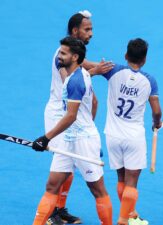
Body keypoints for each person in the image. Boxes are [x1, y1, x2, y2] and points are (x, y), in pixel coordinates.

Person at [32, 37, 113, 225]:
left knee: (98, 190)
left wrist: (45, 138)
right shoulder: (73, 75)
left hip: (83, 143)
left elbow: (71, 116)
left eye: (63, 53)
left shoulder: (75, 81)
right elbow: (94, 103)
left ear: (75, 57)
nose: (58, 56)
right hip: (69, 140)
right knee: (52, 186)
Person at [92, 38, 161, 225]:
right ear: (145, 59)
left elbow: (88, 67)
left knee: (121, 179)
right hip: (134, 138)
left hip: (112, 137)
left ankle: (131, 216)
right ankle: (123, 221)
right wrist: (157, 123)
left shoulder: (114, 70)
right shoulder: (149, 80)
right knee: (132, 183)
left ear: (125, 55)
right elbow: (156, 110)